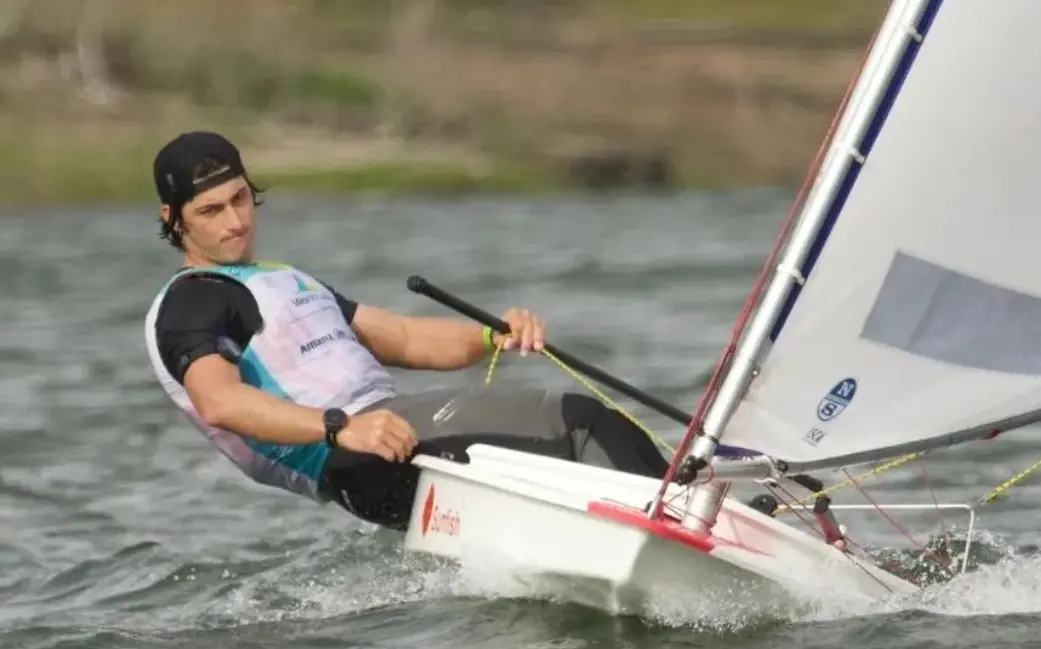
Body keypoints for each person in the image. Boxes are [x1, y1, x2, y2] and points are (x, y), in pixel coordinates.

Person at [142, 130, 670, 532]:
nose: (235, 221)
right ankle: (690, 523)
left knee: (564, 459)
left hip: (388, 439)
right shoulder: (193, 300)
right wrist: (339, 427)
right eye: (211, 210)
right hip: (358, 453)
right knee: (580, 423)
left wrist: (492, 336)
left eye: (239, 199)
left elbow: (404, 338)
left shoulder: (281, 279)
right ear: (174, 219)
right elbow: (219, 402)